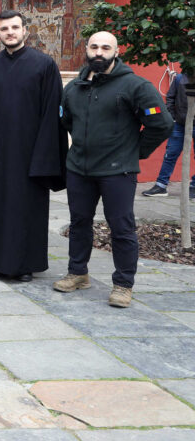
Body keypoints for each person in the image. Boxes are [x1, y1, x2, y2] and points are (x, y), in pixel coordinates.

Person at [56, 31, 172, 308]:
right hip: (79, 169)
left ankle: (123, 284)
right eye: (94, 46)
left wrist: (135, 151)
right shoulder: (74, 87)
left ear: (116, 51)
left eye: (105, 47)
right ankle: (78, 273)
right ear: (86, 49)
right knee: (79, 222)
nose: (99, 52)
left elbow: (162, 124)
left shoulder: (135, 86)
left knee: (121, 228)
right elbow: (66, 121)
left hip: (117, 172)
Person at [0, 11, 67, 282]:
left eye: (15, 27)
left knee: (26, 208)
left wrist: (45, 155)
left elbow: (53, 112)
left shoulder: (44, 64)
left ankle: (24, 263)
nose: (10, 33)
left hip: (31, 152)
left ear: (25, 31)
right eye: (4, 29)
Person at [142, 72, 194, 199]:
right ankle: (161, 185)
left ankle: (194, 186)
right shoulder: (180, 78)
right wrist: (172, 118)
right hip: (180, 124)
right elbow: (170, 98)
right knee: (170, 154)